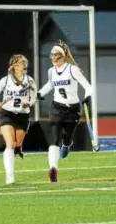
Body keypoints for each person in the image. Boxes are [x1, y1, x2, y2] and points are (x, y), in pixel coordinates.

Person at [37, 40, 92, 183]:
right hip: (57, 108)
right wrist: (40, 93)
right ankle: (53, 168)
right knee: (54, 139)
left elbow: (87, 86)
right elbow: (50, 84)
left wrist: (87, 97)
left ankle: (67, 145)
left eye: (57, 55)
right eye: (52, 55)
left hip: (73, 109)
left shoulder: (72, 69)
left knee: (66, 138)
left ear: (64, 56)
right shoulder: (51, 71)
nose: (54, 58)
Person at [0, 54, 37, 184]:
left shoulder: (30, 80)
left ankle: (18, 149)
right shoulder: (5, 80)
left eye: (25, 63)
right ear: (14, 66)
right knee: (9, 143)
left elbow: (34, 97)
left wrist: (29, 103)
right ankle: (10, 177)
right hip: (7, 114)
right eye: (22, 63)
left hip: (23, 115)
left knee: (16, 144)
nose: (25, 65)